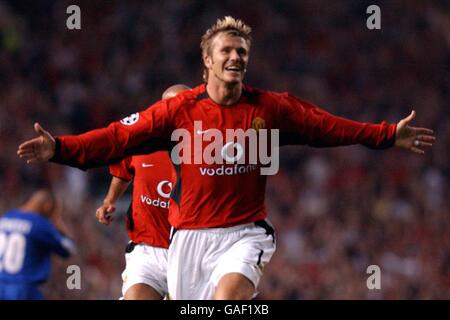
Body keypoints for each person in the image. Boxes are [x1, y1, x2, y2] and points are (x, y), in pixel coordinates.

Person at [17, 16, 435, 300]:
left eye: (242, 52)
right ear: (208, 60)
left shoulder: (271, 108)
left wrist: (384, 136)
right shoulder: (178, 111)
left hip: (244, 233)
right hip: (189, 239)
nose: (236, 57)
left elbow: (327, 127)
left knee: (229, 299)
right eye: (227, 51)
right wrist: (60, 149)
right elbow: (116, 138)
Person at [95, 84, 190, 300]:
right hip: (147, 249)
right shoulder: (141, 137)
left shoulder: (207, 147)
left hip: (190, 253)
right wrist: (109, 200)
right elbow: (123, 170)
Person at [0, 189, 75, 300]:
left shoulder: (6, 217)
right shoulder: (39, 223)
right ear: (47, 206)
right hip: (23, 288)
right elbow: (68, 249)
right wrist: (57, 222)